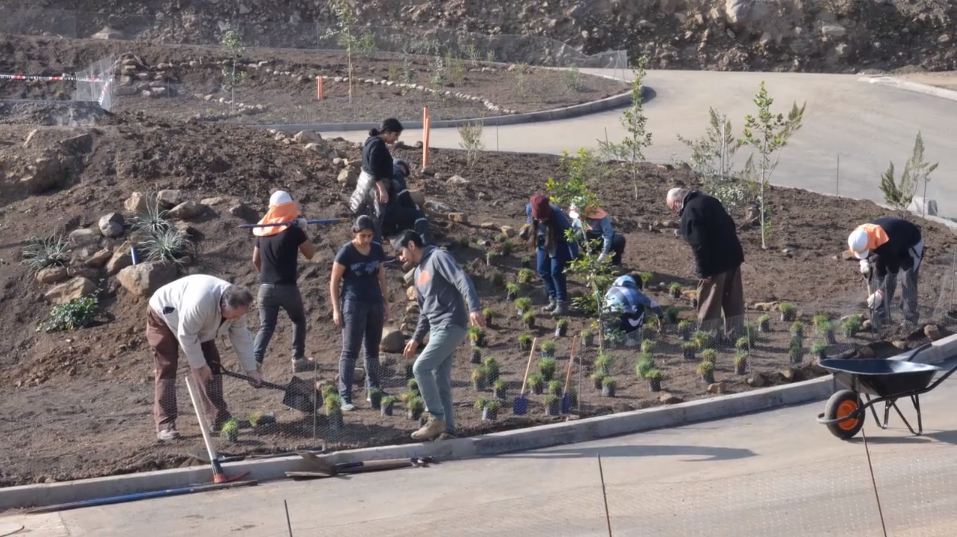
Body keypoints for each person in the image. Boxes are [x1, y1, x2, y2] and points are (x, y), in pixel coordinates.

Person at [147, 275, 262, 441]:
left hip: (198, 324)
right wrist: (200, 366)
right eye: (234, 316)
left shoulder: (237, 306)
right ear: (223, 305)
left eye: (239, 316)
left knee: (213, 365)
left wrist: (251, 370)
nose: (236, 319)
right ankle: (166, 423)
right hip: (164, 314)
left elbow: (241, 336)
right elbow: (186, 335)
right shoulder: (200, 303)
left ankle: (218, 419)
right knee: (167, 365)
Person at [394, 230, 483, 441]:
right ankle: (448, 429)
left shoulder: (437, 257)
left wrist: (474, 307)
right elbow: (424, 311)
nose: (400, 257)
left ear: (412, 245)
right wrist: (416, 338)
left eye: (401, 252)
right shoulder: (417, 273)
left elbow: (462, 279)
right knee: (439, 378)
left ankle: (435, 418)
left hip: (451, 323)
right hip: (435, 329)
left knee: (420, 368)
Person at [666, 187, 745, 338]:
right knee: (734, 299)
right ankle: (736, 335)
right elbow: (730, 224)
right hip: (733, 257)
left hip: (715, 264)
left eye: (672, 208)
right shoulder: (711, 201)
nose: (675, 212)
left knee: (709, 300)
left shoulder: (690, 212)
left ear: (677, 202)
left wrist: (703, 272)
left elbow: (698, 244)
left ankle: (708, 336)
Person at [251, 191, 316, 373]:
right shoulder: (294, 230)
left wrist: (266, 276)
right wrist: (303, 231)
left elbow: (256, 260)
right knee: (298, 320)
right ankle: (298, 359)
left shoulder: (263, 232)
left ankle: (255, 362)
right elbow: (310, 253)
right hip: (287, 288)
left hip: (265, 289)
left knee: (266, 326)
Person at [330, 215, 390, 410]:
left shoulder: (377, 249)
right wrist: (336, 309)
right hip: (353, 304)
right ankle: (344, 395)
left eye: (369, 236)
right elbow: (334, 281)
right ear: (355, 233)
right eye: (363, 235)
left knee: (372, 349)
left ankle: (373, 389)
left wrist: (386, 302)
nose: (366, 240)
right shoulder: (346, 252)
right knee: (350, 350)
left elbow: (381, 276)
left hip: (374, 303)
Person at [848, 217, 924, 328]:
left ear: (869, 242)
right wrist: (863, 261)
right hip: (890, 242)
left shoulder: (888, 245)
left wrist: (880, 293)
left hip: (910, 244)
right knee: (879, 274)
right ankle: (882, 315)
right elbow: (860, 250)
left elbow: (892, 273)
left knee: (907, 279)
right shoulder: (858, 235)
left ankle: (910, 319)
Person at [521, 194, 578, 316]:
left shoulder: (557, 215)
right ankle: (553, 299)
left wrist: (574, 256)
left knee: (556, 272)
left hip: (558, 242)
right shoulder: (530, 208)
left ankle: (562, 303)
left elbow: (571, 236)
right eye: (539, 218)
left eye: (543, 218)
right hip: (542, 240)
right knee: (542, 270)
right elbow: (529, 218)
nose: (541, 220)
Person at [349, 117, 404, 236]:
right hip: (375, 185)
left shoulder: (371, 140)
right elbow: (374, 167)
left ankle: (363, 237)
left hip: (367, 182)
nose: (396, 139)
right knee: (376, 216)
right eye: (395, 135)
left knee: (366, 212)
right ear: (387, 132)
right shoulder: (378, 144)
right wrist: (382, 189)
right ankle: (374, 242)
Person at [380, 159, 431, 244]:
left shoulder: (381, 170)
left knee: (399, 214)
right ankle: (424, 243)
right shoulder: (396, 171)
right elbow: (403, 195)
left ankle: (389, 234)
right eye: (405, 170)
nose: (404, 174)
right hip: (387, 212)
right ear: (401, 166)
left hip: (376, 214)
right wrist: (414, 207)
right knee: (418, 215)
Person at [604, 274, 663, 342]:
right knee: (640, 307)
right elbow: (654, 306)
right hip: (622, 322)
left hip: (606, 323)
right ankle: (634, 336)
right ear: (636, 284)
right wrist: (660, 318)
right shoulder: (635, 292)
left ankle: (611, 336)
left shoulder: (611, 290)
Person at [569, 200, 626, 265]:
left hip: (601, 239)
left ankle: (616, 262)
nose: (579, 217)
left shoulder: (601, 219)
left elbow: (607, 235)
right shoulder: (577, 218)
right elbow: (573, 231)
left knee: (619, 240)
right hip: (588, 241)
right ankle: (590, 257)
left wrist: (604, 252)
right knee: (579, 234)